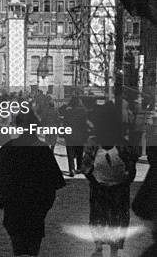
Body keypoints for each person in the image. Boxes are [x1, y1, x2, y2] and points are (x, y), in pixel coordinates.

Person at [0, 109, 66, 256]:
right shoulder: (42, 150)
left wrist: (4, 201)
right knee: (33, 249)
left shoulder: (6, 150)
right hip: (36, 210)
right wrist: (45, 205)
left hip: (14, 209)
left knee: (18, 248)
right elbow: (54, 182)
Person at [82, 102, 137, 257]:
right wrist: (124, 182)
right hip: (118, 191)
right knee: (116, 220)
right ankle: (114, 252)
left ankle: (98, 247)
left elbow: (85, 167)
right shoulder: (123, 143)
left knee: (98, 218)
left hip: (99, 189)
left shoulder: (93, 142)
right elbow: (131, 167)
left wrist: (95, 181)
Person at [62, 96, 89, 177]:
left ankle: (72, 169)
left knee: (70, 154)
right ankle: (79, 167)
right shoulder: (83, 112)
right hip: (80, 136)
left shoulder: (67, 112)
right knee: (80, 152)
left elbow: (65, 123)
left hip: (70, 135)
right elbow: (85, 125)